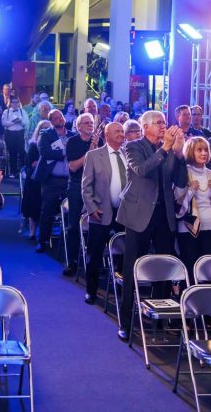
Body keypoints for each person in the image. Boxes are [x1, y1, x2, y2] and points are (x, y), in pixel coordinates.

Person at [115, 111, 186, 340]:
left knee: (164, 267)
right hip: (139, 214)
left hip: (164, 214)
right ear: (145, 127)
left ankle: (160, 321)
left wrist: (179, 154)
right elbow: (142, 170)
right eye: (158, 123)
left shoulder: (170, 148)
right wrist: (165, 148)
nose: (163, 126)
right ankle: (126, 322)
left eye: (164, 122)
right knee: (132, 268)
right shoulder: (133, 146)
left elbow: (181, 181)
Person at [80, 122, 127, 304]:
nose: (121, 134)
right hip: (101, 212)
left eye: (122, 131)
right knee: (95, 254)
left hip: (124, 213)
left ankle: (122, 290)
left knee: (124, 253)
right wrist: (91, 209)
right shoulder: (94, 155)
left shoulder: (128, 154)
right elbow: (86, 186)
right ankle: (91, 291)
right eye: (117, 131)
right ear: (107, 135)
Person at [175, 137, 211, 278]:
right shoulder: (184, 172)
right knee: (191, 269)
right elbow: (177, 205)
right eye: (199, 150)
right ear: (190, 152)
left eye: (206, 150)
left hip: (210, 228)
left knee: (209, 270)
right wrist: (191, 190)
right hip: (188, 229)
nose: (204, 153)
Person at [63, 113, 101, 276]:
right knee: (73, 225)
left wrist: (96, 148)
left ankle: (93, 261)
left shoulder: (100, 141)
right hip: (77, 186)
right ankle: (72, 262)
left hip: (96, 186)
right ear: (78, 127)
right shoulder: (72, 142)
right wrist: (91, 151)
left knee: (97, 225)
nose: (90, 125)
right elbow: (73, 167)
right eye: (86, 123)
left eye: (91, 122)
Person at [35, 109, 74, 253]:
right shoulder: (46, 135)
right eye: (56, 118)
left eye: (61, 116)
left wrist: (63, 152)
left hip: (69, 180)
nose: (60, 119)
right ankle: (42, 241)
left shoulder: (72, 135)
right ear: (51, 121)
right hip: (51, 180)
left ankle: (67, 242)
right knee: (47, 211)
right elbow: (46, 152)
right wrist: (65, 152)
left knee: (71, 211)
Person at [21, 119, 50, 241]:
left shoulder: (54, 144)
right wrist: (47, 158)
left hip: (48, 178)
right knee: (34, 205)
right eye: (43, 128)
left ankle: (44, 233)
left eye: (48, 128)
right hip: (34, 179)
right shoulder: (33, 146)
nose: (45, 131)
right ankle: (32, 232)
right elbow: (32, 164)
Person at [1, 96, 28, 177]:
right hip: (10, 134)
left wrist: (20, 122)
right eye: (13, 102)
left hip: (20, 133)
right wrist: (14, 122)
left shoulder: (22, 111)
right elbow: (3, 123)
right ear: (11, 103)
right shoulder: (6, 111)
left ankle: (23, 172)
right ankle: (13, 172)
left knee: (22, 152)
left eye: (16, 102)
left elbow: (26, 122)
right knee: (12, 153)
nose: (15, 104)